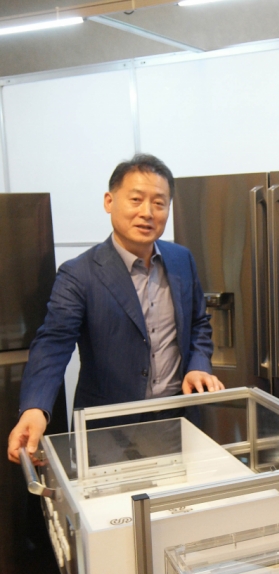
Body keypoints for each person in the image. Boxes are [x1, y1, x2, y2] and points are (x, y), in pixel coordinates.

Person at [7, 153, 224, 463]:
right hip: (107, 431)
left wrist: (198, 365)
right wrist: (34, 407)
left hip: (176, 420)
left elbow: (198, 323)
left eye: (159, 203)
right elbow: (53, 344)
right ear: (109, 201)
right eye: (136, 200)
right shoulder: (79, 273)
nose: (147, 212)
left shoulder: (181, 260)